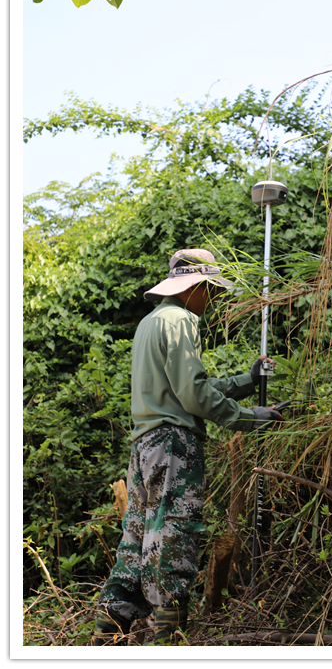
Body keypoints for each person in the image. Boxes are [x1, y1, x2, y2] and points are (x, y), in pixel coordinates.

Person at [93, 249, 284, 645]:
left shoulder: (150, 323)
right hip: (173, 446)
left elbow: (182, 391)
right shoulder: (182, 320)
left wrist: (245, 382)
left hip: (144, 446)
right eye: (210, 289)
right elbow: (194, 395)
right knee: (172, 542)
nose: (211, 298)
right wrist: (249, 419)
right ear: (194, 287)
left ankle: (105, 636)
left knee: (136, 540)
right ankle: (165, 644)